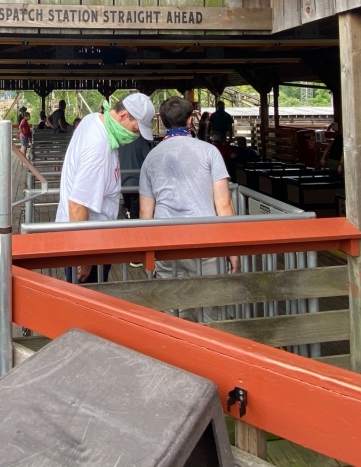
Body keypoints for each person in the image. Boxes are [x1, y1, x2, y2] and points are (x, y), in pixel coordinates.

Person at [139, 96, 240, 322]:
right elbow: (224, 204)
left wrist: (149, 254)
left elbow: (145, 214)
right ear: (189, 121)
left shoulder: (151, 158)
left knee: (174, 312)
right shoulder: (209, 152)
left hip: (166, 244)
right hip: (205, 241)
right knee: (212, 310)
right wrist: (233, 250)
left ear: (163, 122)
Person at [56, 93, 155, 283]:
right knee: (87, 307)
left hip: (87, 238)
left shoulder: (93, 119)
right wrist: (84, 258)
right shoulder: (98, 147)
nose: (135, 135)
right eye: (136, 129)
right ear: (123, 115)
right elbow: (77, 204)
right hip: (88, 245)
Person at [119, 132, 152, 220]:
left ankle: (128, 214)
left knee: (129, 209)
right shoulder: (140, 141)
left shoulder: (120, 140)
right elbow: (149, 160)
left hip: (122, 182)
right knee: (135, 215)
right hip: (136, 183)